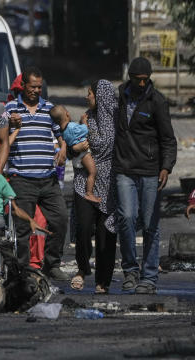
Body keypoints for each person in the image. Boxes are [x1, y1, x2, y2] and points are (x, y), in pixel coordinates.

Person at [114, 57, 177, 294]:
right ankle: (130, 270)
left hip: (151, 171)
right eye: (138, 80)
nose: (142, 84)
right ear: (130, 78)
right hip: (124, 169)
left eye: (145, 80)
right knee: (127, 218)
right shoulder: (119, 97)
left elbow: (168, 139)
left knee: (151, 224)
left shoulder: (157, 101)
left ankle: (149, 277)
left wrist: (166, 167)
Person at [4, 66, 68, 280]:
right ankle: (22, 269)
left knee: (59, 219)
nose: (36, 91)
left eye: (39, 87)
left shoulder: (49, 108)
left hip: (47, 179)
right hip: (21, 178)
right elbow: (0, 134)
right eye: (32, 87)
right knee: (22, 227)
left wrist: (63, 149)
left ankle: (52, 264)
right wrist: (9, 124)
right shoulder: (10, 108)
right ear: (23, 86)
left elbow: (61, 134)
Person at [70, 80, 119, 293]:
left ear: (101, 97)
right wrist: (75, 147)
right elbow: (74, 144)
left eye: (90, 93)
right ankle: (82, 268)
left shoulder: (118, 120)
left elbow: (102, 143)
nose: (87, 97)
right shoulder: (85, 117)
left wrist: (85, 130)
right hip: (84, 181)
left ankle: (103, 281)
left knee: (105, 233)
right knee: (83, 227)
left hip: (109, 182)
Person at [49, 105, 100, 203]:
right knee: (93, 172)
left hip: (76, 157)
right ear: (67, 114)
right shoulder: (71, 126)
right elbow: (84, 130)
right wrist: (84, 122)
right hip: (83, 154)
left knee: (88, 173)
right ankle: (89, 193)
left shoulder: (62, 131)